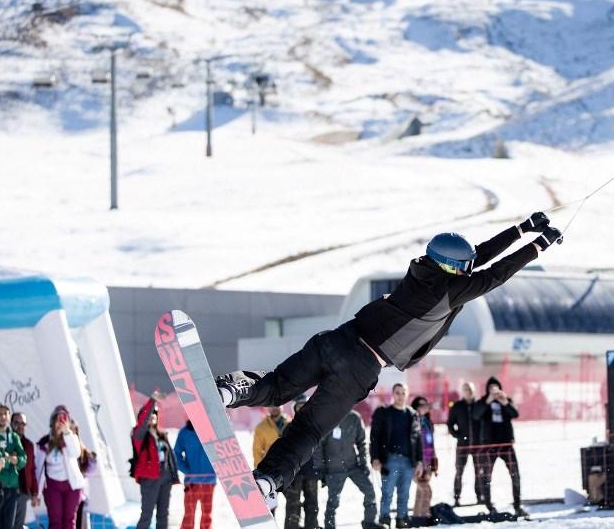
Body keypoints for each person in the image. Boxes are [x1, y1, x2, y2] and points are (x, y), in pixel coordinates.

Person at [215, 215, 562, 507]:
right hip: (361, 365)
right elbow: (493, 273)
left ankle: (231, 391)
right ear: (455, 269)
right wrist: (537, 245)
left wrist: (523, 228)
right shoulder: (449, 290)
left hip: (337, 338)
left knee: (278, 384)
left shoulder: (423, 269)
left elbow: (477, 257)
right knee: (308, 429)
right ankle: (266, 482)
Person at [35, 407, 87, 529]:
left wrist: (68, 433)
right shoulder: (44, 443)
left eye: (64, 420)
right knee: (56, 521)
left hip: (71, 486)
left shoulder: (70, 439)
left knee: (69, 520)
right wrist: (36, 494)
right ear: (52, 422)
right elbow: (38, 468)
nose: (60, 423)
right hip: (52, 487)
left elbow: (76, 453)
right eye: (58, 420)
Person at [129, 398, 180, 529]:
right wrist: (151, 402)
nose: (152, 416)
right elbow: (143, 422)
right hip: (149, 478)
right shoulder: (139, 435)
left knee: (163, 513)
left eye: (155, 414)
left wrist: (173, 476)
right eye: (150, 414)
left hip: (165, 477)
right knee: (147, 513)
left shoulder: (161, 435)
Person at [321, 409, 382, 529]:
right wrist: (321, 469)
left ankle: (369, 523)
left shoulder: (354, 417)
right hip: (334, 468)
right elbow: (319, 446)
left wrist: (363, 463)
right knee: (333, 500)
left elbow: (362, 442)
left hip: (353, 465)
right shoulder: (327, 417)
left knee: (369, 491)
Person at [370, 384, 422, 528]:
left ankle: (401, 519)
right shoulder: (384, 413)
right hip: (390, 459)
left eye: (403, 393)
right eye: (397, 393)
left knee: (404, 493)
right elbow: (375, 437)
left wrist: (419, 462)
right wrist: (375, 458)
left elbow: (418, 440)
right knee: (387, 493)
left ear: (407, 394)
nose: (400, 396)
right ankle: (384, 519)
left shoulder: (412, 414)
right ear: (393, 394)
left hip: (407, 461)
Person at [473, 376, 524, 517]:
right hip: (489, 444)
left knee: (515, 475)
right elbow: (476, 415)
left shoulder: (506, 400)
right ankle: (489, 506)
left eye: (496, 388)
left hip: (506, 444)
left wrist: (505, 402)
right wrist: (488, 401)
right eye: (491, 388)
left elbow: (515, 414)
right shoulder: (482, 402)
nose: (494, 391)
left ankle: (517, 505)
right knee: (487, 476)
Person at [282, 395, 324, 529]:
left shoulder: (316, 427)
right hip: (295, 473)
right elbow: (283, 451)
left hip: (312, 472)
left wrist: (321, 470)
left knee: (312, 503)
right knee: (293, 504)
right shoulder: (289, 427)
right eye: (298, 407)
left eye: (304, 406)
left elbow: (320, 450)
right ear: (295, 409)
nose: (302, 409)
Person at [174, 421, 217, 529]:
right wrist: (187, 470)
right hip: (192, 481)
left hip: (209, 480)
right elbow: (176, 453)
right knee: (189, 514)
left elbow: (222, 449)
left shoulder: (212, 429)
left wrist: (216, 469)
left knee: (207, 514)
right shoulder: (185, 432)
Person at [447, 381, 482, 506]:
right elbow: (450, 424)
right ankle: (457, 497)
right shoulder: (457, 406)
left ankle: (480, 496)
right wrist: (457, 435)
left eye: (470, 389)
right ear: (462, 391)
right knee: (459, 471)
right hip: (462, 444)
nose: (469, 391)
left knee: (479, 471)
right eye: (466, 389)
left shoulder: (479, 405)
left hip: (478, 445)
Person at [10, 411, 38, 529]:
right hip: (8, 490)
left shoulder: (28, 445)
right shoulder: (7, 441)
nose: (20, 426)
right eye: (16, 423)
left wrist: (34, 492)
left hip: (22, 491)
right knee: (8, 526)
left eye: (23, 423)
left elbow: (32, 469)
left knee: (17, 528)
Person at [411, 396, 439, 521]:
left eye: (426, 406)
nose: (424, 408)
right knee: (426, 490)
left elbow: (431, 443)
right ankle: (423, 515)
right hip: (418, 462)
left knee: (421, 492)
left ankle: (417, 516)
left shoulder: (427, 422)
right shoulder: (413, 422)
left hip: (428, 461)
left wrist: (434, 460)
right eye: (421, 406)